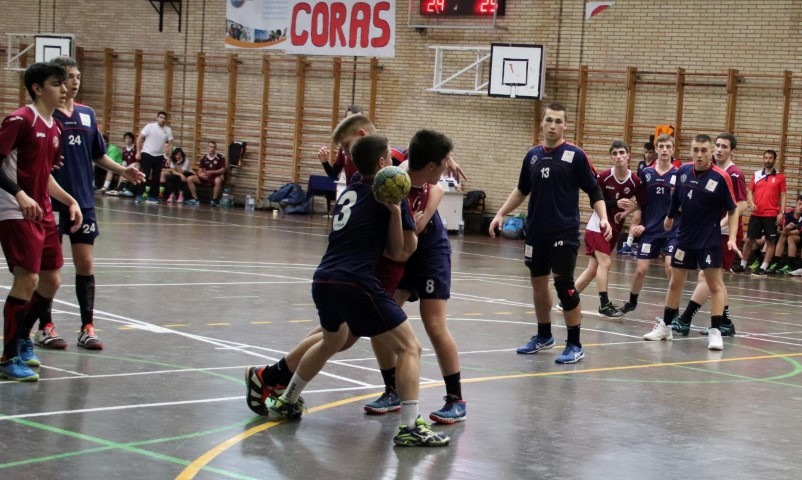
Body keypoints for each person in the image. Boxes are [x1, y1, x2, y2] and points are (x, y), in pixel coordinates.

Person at [267, 134, 451, 447]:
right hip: (357, 282)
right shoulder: (391, 194)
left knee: (332, 341)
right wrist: (399, 215)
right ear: (381, 163)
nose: (394, 163)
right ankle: (410, 427)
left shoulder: (348, 191)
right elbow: (400, 252)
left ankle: (287, 400)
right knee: (410, 348)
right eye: (390, 159)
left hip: (324, 279)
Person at [30, 56, 144, 352]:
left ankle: (87, 328)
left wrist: (123, 171)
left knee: (86, 263)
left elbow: (98, 154)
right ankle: (45, 326)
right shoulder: (44, 116)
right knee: (49, 270)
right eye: (69, 76)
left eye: (78, 76)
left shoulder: (87, 114)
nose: (75, 82)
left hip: (83, 201)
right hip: (52, 201)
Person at [488, 103, 611, 364]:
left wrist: (603, 217)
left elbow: (594, 189)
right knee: (538, 283)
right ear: (542, 123)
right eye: (549, 120)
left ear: (565, 125)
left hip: (564, 231)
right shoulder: (532, 156)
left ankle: (575, 344)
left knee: (564, 285)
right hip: (536, 232)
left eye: (558, 121)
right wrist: (500, 213)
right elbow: (522, 189)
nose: (553, 126)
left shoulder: (575, 155)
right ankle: (544, 335)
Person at [364, 129, 466, 424]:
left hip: (430, 252)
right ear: (432, 164)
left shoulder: (423, 174)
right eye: (444, 162)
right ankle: (392, 390)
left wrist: (424, 219)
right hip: (401, 252)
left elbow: (437, 189)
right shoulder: (396, 176)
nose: (447, 167)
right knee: (381, 318)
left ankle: (456, 398)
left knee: (433, 322)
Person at [0, 62, 83, 381]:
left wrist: (70, 200)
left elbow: (43, 174)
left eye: (65, 83)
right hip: (15, 209)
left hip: (43, 210)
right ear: (37, 88)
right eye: (56, 84)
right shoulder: (20, 120)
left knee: (51, 280)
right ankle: (8, 357)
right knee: (28, 279)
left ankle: (23, 338)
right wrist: (20, 194)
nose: (64, 89)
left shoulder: (55, 128)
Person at [642, 134, 738, 351]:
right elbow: (676, 198)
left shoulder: (721, 177)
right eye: (696, 150)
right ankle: (665, 327)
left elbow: (733, 210)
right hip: (684, 238)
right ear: (691, 151)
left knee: (715, 286)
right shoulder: (683, 171)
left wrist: (732, 238)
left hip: (709, 241)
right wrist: (669, 217)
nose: (699, 154)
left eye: (704, 150)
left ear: (711, 151)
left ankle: (715, 332)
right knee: (675, 283)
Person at [670, 133, 746, 337]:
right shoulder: (701, 171)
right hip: (702, 232)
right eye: (718, 145)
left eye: (724, 147)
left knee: (710, 278)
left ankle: (687, 318)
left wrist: (722, 226)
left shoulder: (733, 174)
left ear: (732, 151)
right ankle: (725, 323)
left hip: (721, 233)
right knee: (712, 279)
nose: (720, 150)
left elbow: (741, 205)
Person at [573, 140, 640, 318]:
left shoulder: (635, 180)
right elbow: (594, 202)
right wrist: (615, 203)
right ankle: (604, 305)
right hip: (598, 225)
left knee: (593, 269)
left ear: (628, 156)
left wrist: (626, 212)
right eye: (615, 153)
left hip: (615, 227)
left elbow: (642, 201)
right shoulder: (603, 177)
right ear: (611, 158)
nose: (618, 156)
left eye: (622, 153)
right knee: (606, 263)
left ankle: (567, 299)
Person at [616, 134, 680, 314]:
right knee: (640, 270)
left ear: (673, 150)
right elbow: (641, 201)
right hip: (650, 230)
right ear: (656, 149)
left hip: (672, 230)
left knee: (670, 268)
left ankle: (673, 310)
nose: (665, 150)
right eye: (661, 146)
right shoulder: (646, 173)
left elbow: (683, 203)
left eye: (668, 147)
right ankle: (631, 302)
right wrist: (626, 213)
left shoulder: (679, 175)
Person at [736, 150, 787, 275]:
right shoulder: (757, 174)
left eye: (770, 158)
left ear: (774, 159)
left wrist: (782, 212)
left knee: (770, 242)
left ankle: (763, 267)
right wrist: (751, 202)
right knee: (749, 240)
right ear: (763, 159)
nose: (768, 160)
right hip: (756, 214)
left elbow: (783, 195)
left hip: (772, 215)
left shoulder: (780, 177)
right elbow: (750, 191)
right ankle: (742, 265)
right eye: (766, 158)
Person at [317, 105, 364, 185]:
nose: (354, 124)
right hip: (351, 191)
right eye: (350, 120)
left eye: (357, 120)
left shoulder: (370, 145)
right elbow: (333, 175)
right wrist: (324, 161)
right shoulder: (344, 148)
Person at [135, 111, 173, 204]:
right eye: (161, 117)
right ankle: (139, 194)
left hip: (159, 155)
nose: (162, 119)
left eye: (164, 118)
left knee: (156, 176)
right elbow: (139, 138)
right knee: (145, 174)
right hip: (147, 153)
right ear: (157, 118)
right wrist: (138, 152)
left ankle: (152, 196)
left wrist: (169, 157)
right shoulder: (150, 127)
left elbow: (171, 144)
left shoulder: (168, 130)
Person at [186, 141, 226, 206]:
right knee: (189, 179)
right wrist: (200, 175)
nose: (212, 149)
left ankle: (214, 200)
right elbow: (200, 170)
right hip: (206, 177)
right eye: (210, 147)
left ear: (216, 149)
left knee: (218, 180)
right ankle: (195, 199)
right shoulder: (204, 158)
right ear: (207, 147)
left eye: (214, 147)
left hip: (215, 177)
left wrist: (211, 172)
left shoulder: (220, 157)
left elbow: (223, 170)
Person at [772, 195, 802, 274]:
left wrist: (783, 232)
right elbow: (784, 228)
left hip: (799, 238)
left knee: (790, 237)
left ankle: (790, 265)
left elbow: (797, 232)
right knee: (783, 236)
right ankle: (776, 263)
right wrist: (786, 229)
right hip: (787, 235)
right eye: (800, 204)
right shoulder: (789, 212)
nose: (801, 207)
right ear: (796, 204)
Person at [117, 131, 138, 197]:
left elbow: (137, 161)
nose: (128, 140)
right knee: (122, 171)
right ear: (124, 140)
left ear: (132, 139)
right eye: (126, 138)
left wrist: (130, 166)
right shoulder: (124, 149)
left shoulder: (135, 148)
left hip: (135, 166)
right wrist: (123, 165)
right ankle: (118, 188)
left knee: (126, 172)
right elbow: (124, 161)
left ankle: (122, 188)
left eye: (129, 138)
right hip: (127, 167)